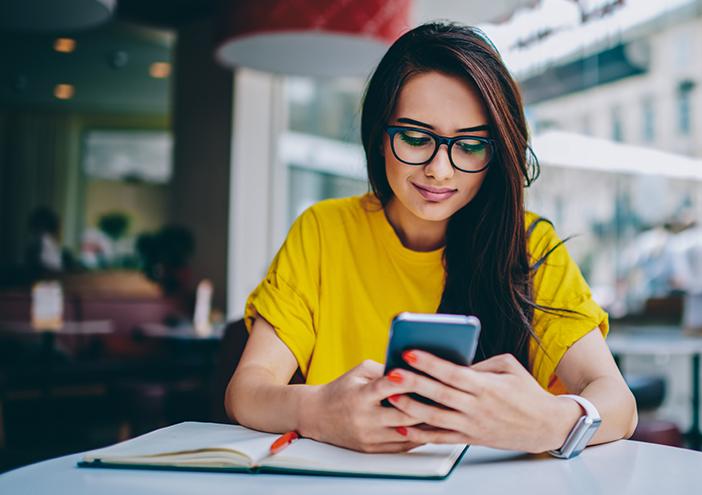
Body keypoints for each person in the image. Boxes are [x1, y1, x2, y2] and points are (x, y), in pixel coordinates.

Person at [226, 23, 637, 455]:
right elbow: (247, 390)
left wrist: (553, 422)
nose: (440, 170)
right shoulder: (324, 231)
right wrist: (317, 411)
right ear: (379, 137)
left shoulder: (529, 246)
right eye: (416, 138)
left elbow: (619, 403)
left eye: (470, 146)